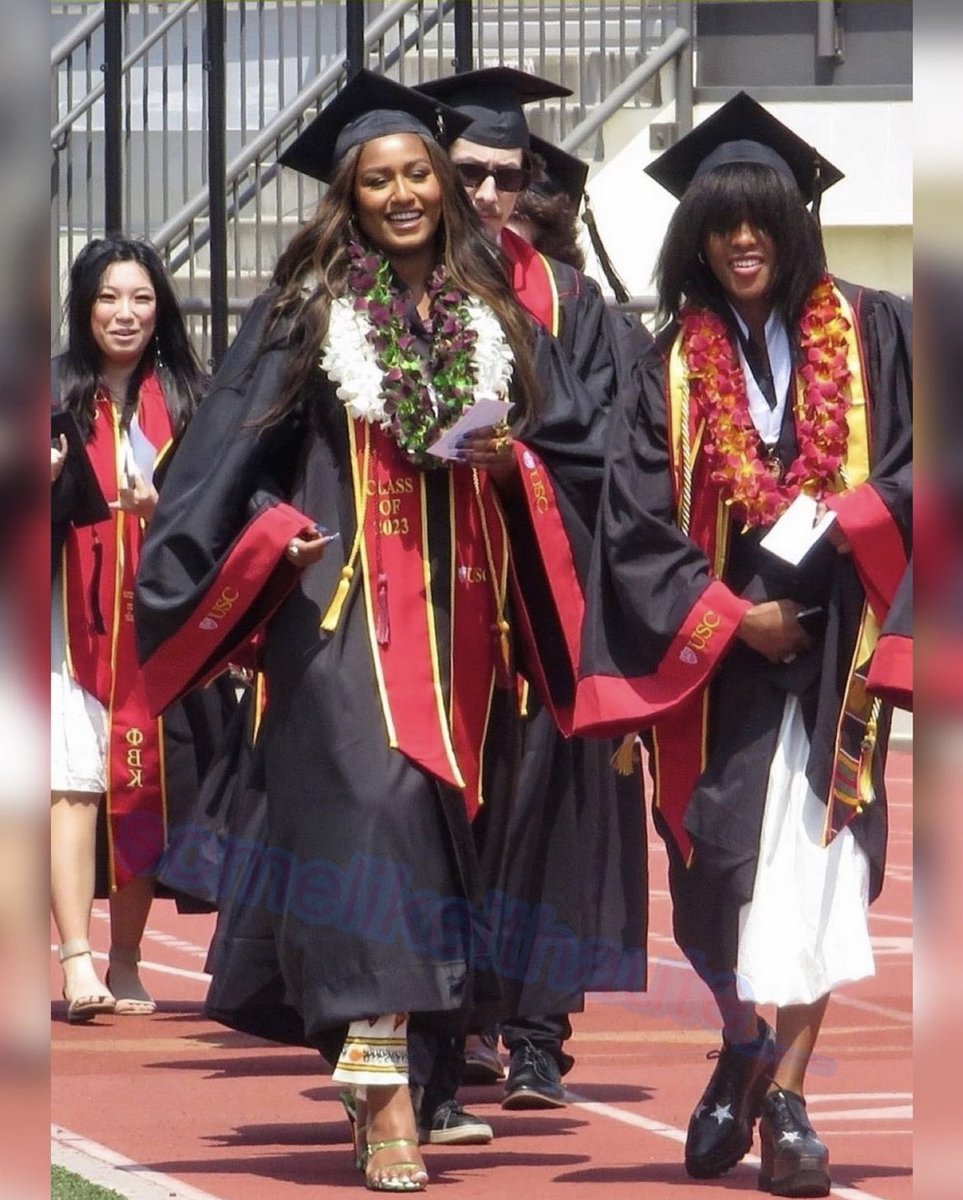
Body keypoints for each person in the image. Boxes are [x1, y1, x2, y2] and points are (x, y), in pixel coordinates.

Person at [134, 70, 602, 1193]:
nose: (402, 195)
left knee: (437, 853)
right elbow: (215, 469)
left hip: (463, 631)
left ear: (444, 189)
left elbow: (575, 452)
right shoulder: (306, 313)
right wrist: (266, 538)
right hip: (338, 620)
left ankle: (407, 1070)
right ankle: (383, 1101)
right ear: (350, 197)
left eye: (416, 177)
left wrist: (516, 462)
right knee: (372, 834)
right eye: (378, 180)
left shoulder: (488, 313)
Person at [547, 92, 911, 1196]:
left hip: (838, 641)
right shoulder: (667, 366)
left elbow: (914, 463)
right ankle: (742, 1041)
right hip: (717, 664)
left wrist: (857, 519)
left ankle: (791, 1104)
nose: (743, 239)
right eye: (722, 221)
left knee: (822, 871)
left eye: (761, 219)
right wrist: (727, 616)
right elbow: (635, 522)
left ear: (795, 224)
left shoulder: (877, 329)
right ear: (696, 235)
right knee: (717, 881)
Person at [417, 66, 651, 1117]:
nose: (490, 195)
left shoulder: (577, 302)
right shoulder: (390, 291)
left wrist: (521, 452)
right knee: (445, 814)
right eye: (469, 171)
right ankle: (447, 1015)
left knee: (548, 813)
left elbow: (618, 434)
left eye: (508, 176)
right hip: (429, 597)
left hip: (546, 595)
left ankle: (539, 1034)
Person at [51, 235, 208, 1022]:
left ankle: (127, 958)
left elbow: (219, 506)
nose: (125, 313)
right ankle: (77, 957)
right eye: (109, 297)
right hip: (62, 617)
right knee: (73, 784)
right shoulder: (46, 397)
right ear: (83, 306)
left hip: (154, 622)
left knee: (139, 779)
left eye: (141, 297)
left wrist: (167, 511)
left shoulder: (186, 398)